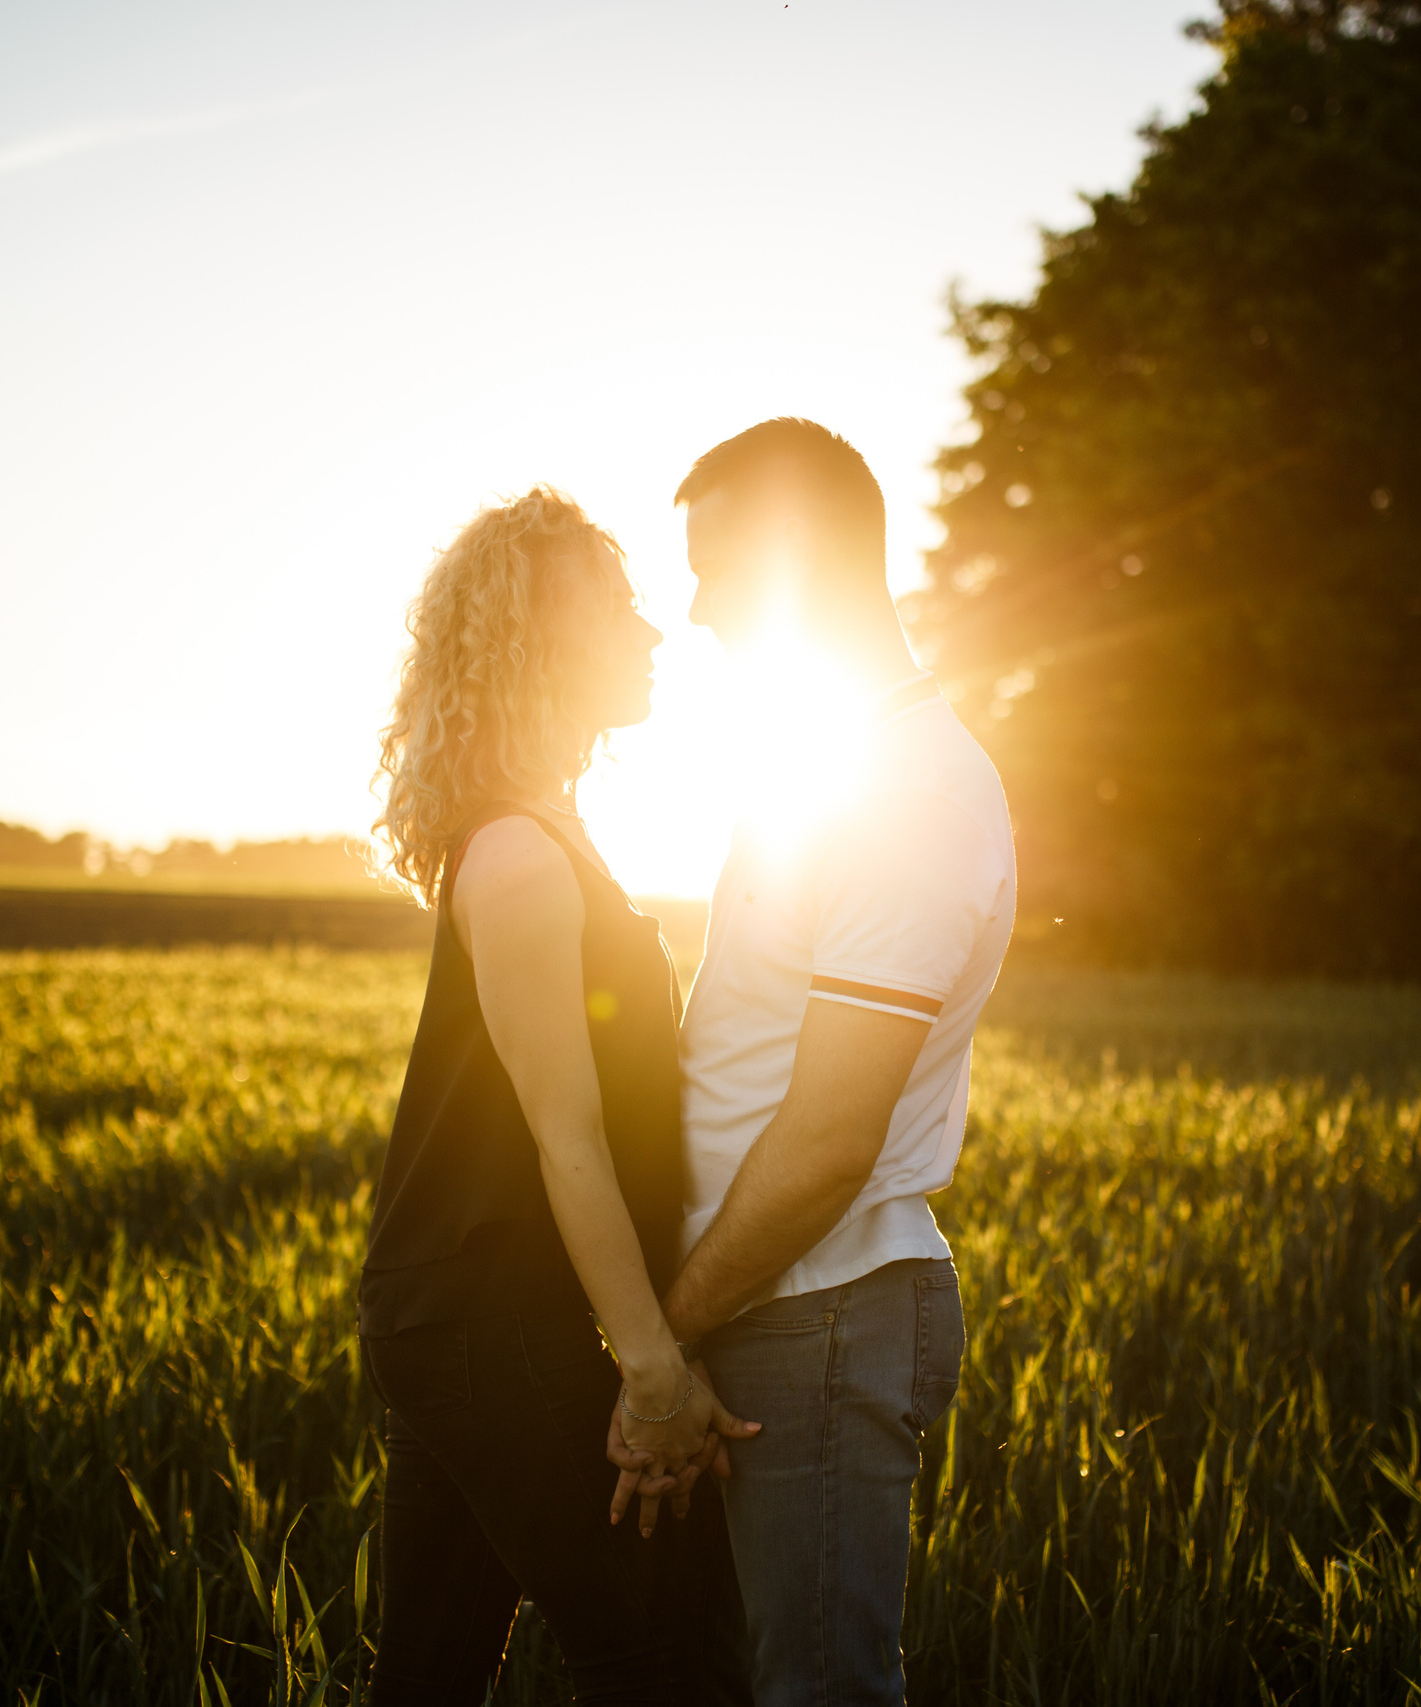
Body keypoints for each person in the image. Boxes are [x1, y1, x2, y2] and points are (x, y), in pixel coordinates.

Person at [613, 420, 1017, 1706]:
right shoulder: (829, 763)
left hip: (816, 1314)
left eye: (717, 566)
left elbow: (832, 1135)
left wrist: (659, 1344)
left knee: (821, 1694)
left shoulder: (910, 797)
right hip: (769, 1307)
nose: (694, 607)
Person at [360, 487, 753, 1704]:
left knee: (427, 1676)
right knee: (671, 1658)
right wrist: (651, 1371)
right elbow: (566, 1141)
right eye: (623, 609)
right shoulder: (522, 856)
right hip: (490, 1316)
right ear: (545, 638)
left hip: (449, 1318)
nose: (650, 634)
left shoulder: (538, 835)